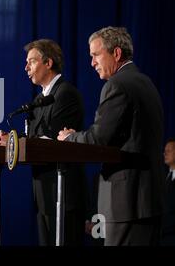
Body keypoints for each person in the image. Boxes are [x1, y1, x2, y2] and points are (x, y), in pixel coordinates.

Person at [58, 26, 164, 246]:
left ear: (116, 53)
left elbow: (98, 140)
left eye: (96, 55)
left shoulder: (117, 85)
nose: (92, 62)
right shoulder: (146, 82)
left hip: (127, 202)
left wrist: (70, 138)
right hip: (148, 201)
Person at [0, 39, 87, 246]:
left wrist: (14, 141)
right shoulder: (40, 99)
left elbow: (51, 141)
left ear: (48, 63)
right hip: (44, 195)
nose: (26, 67)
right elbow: (33, 138)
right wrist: (7, 141)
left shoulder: (65, 94)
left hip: (63, 194)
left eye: (31, 61)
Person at [162, 138, 175, 245]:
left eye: (169, 150)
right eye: (164, 150)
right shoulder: (162, 176)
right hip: (160, 233)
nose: (165, 153)